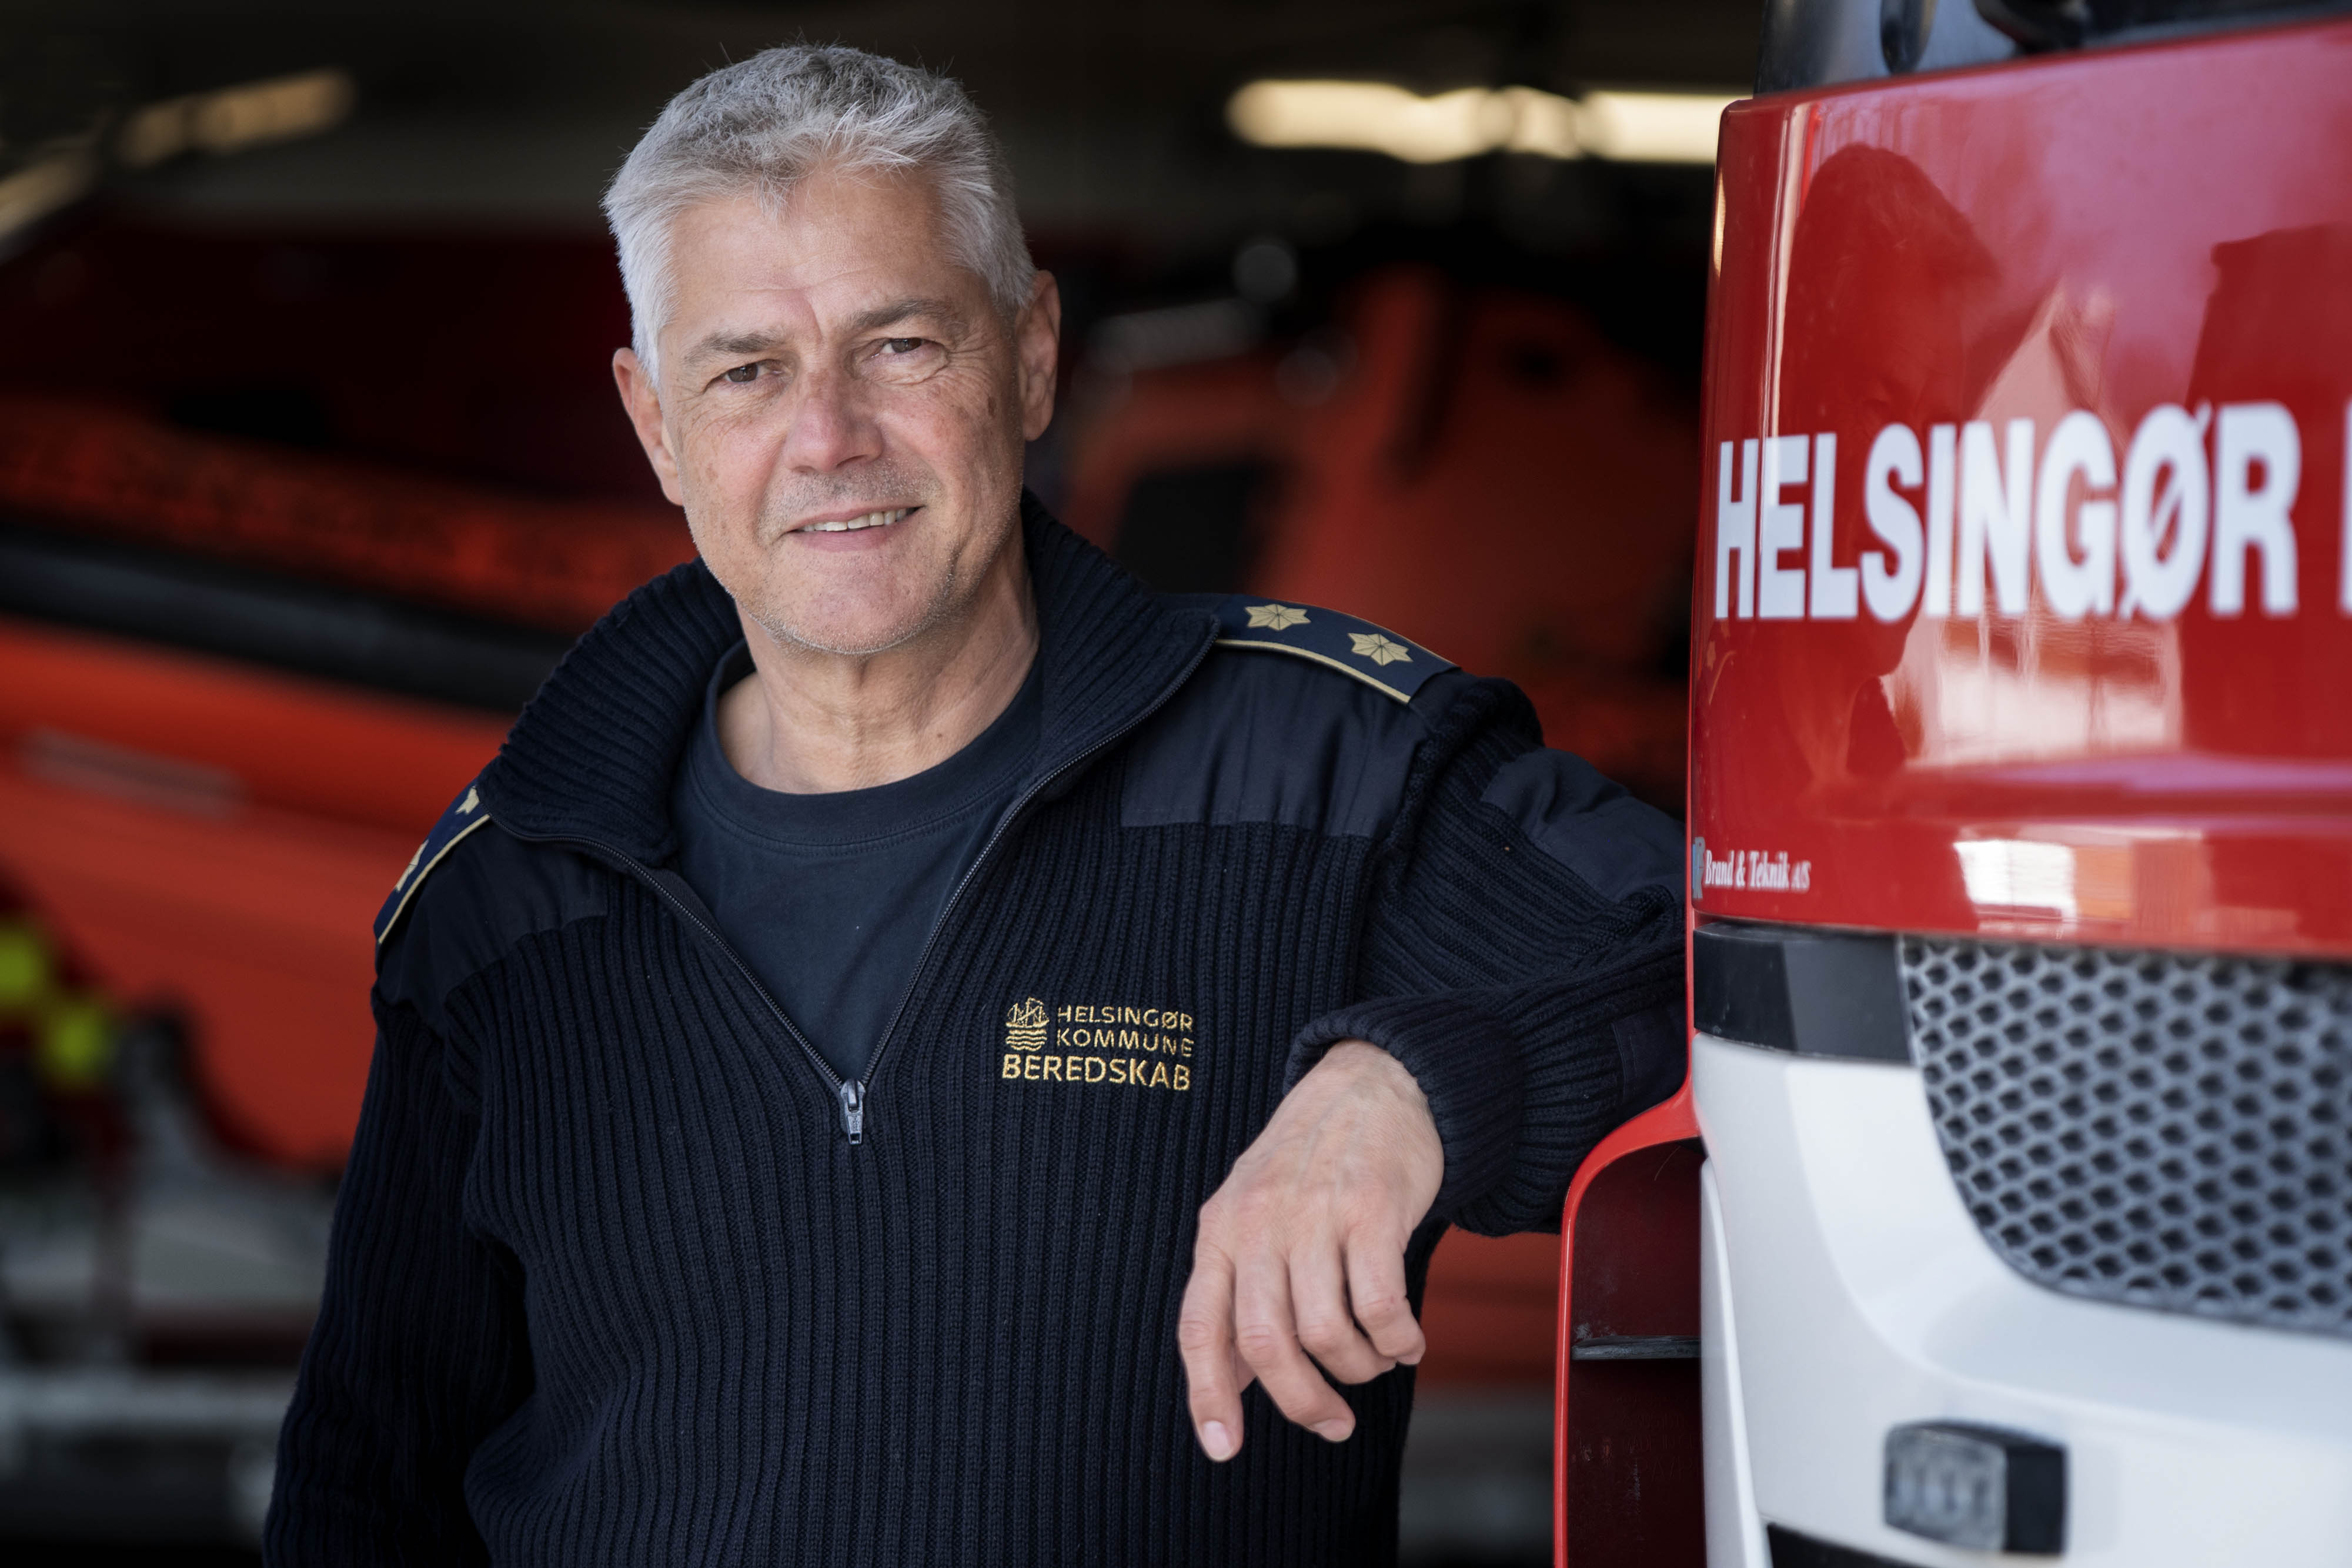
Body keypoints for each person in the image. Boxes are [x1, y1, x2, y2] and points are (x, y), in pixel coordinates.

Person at [264, 44, 1685, 1567]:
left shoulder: (1331, 774)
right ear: (655, 424)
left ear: (1030, 356)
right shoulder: (501, 903)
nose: (829, 438)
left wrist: (1418, 1082)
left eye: (901, 347)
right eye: (748, 371)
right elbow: (368, 1491)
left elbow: (1761, 972)